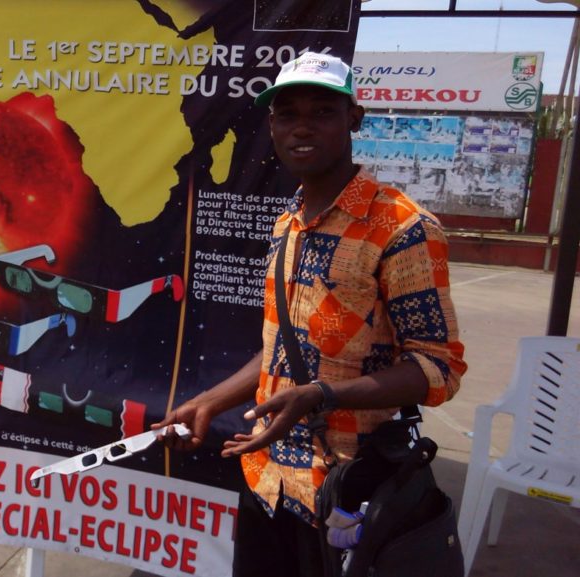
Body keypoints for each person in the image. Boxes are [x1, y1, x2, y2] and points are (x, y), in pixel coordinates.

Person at [155, 53, 467, 577]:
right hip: (267, 478)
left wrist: (321, 396)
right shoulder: (287, 224)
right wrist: (208, 401)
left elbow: (438, 368)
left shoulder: (403, 228)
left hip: (347, 494)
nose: (302, 126)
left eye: (322, 111)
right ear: (272, 124)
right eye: (287, 113)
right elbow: (284, 348)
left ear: (354, 119)